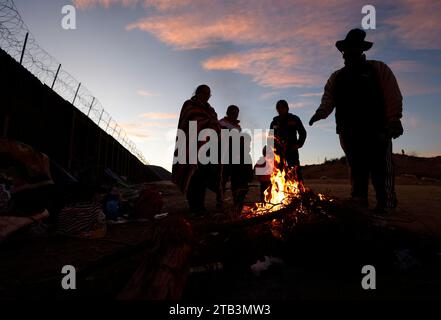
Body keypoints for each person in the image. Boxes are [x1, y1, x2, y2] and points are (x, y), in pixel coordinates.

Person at [309, 29, 404, 214]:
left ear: (360, 50)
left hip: (377, 128)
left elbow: (392, 94)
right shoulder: (337, 77)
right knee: (356, 167)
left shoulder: (378, 69)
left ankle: (386, 204)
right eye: (345, 50)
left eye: (352, 49)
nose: (347, 54)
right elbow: (328, 98)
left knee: (381, 168)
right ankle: (359, 201)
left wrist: (394, 119)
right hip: (348, 131)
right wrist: (321, 113)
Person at [172, 84, 221, 217]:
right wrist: (208, 123)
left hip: (207, 147)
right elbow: (191, 120)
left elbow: (215, 124)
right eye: (204, 93)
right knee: (193, 175)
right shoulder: (189, 105)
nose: (206, 96)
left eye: (208, 94)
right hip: (190, 145)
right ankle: (194, 206)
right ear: (198, 92)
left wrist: (213, 125)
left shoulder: (211, 110)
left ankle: (200, 205)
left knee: (203, 177)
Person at [270, 100, 307, 181]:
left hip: (292, 149)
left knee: (295, 171)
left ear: (287, 108)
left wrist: (298, 144)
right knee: (279, 172)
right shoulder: (274, 122)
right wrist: (272, 150)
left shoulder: (294, 119)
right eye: (278, 108)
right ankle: (281, 191)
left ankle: (300, 190)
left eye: (282, 107)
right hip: (278, 152)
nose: (280, 109)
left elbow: (303, 133)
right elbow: (270, 138)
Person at [216, 105, 241, 208]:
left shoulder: (238, 127)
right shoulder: (221, 122)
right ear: (228, 112)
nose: (235, 115)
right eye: (233, 113)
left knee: (236, 180)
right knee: (222, 179)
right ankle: (219, 202)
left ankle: (236, 202)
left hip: (235, 155)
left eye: (237, 113)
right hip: (223, 155)